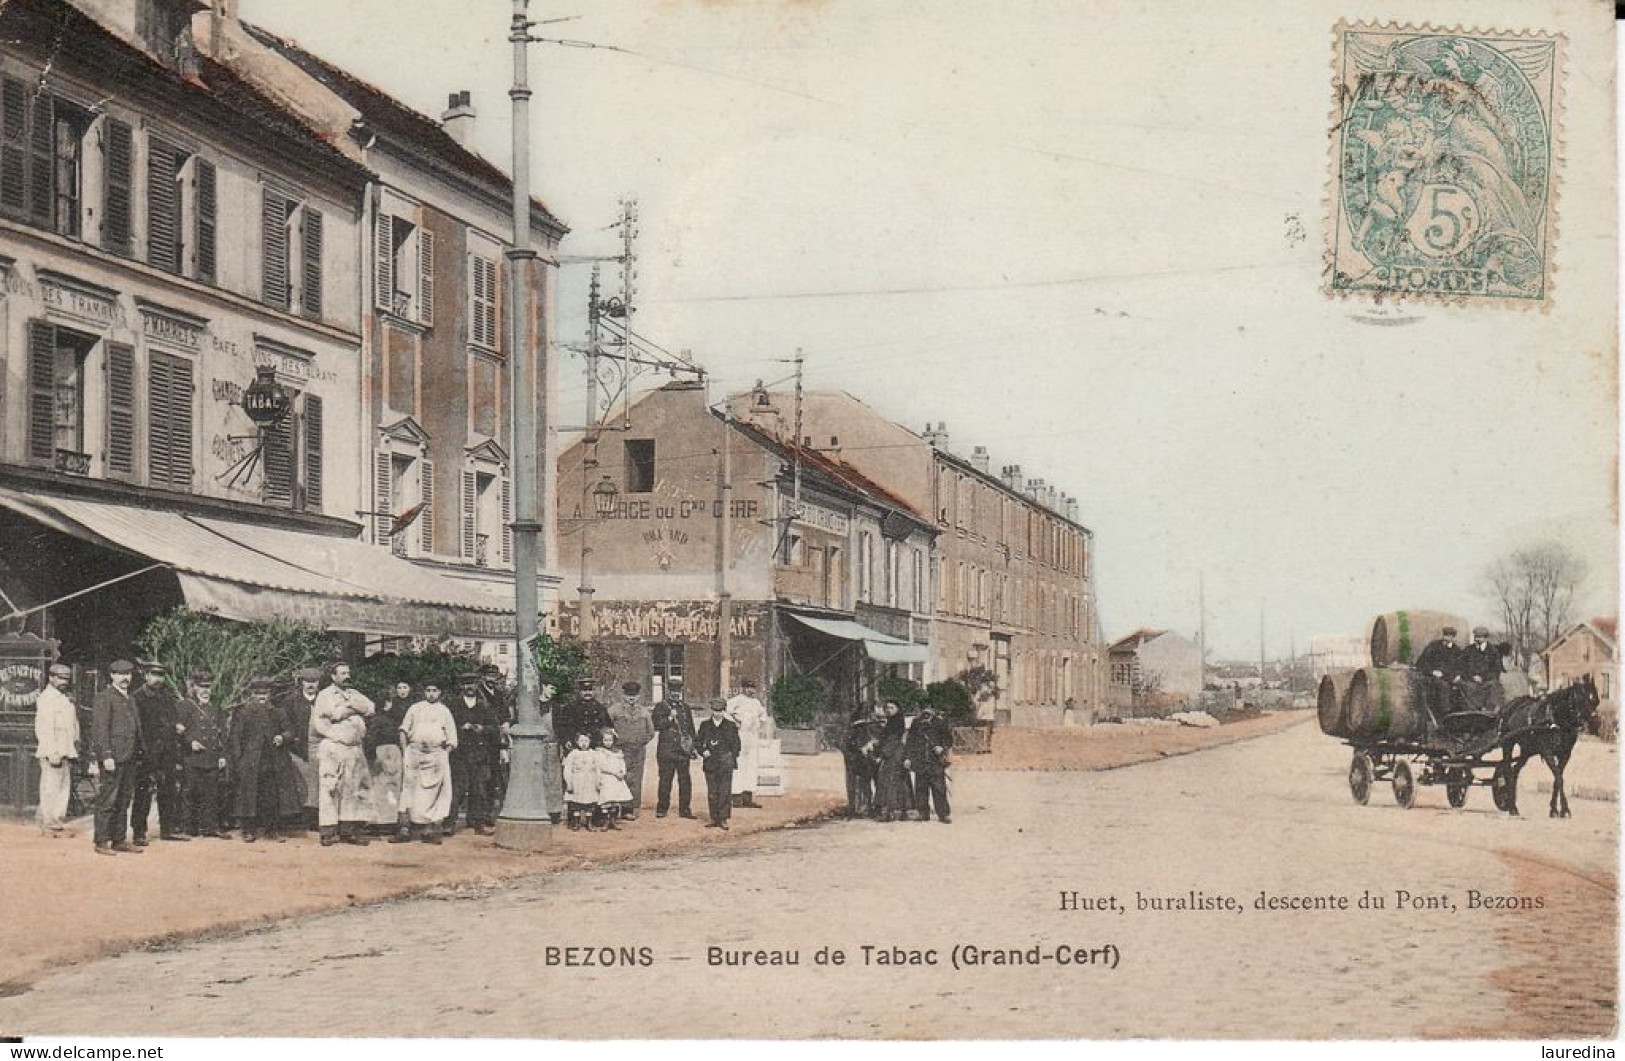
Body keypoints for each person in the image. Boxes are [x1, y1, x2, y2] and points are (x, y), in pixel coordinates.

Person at [229, 677, 300, 843]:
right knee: (249, 797)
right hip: (250, 761)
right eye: (258, 693)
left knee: (272, 796)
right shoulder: (244, 712)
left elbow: (290, 730)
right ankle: (248, 830)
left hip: (273, 760)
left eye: (265, 693)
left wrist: (282, 737)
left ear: (270, 694)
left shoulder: (277, 712)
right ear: (252, 694)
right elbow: (235, 738)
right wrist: (238, 761)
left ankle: (272, 830)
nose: (262, 696)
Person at [312, 662, 376, 846]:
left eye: (348, 672)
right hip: (334, 745)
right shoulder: (325, 695)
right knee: (330, 787)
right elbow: (333, 715)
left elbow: (371, 707)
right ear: (333, 676)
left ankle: (349, 831)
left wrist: (349, 707)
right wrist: (353, 709)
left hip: (354, 747)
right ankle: (327, 831)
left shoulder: (353, 693)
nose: (347, 676)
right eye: (342, 673)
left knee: (352, 788)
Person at [89, 659, 144, 855]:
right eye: (121, 674)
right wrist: (106, 755)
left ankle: (119, 839)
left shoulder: (131, 699)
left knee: (124, 799)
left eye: (128, 674)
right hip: (113, 758)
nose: (125, 678)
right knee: (108, 800)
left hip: (129, 758)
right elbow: (101, 730)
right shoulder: (104, 697)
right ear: (112, 675)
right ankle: (101, 841)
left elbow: (136, 729)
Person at [130, 661, 186, 844]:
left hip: (167, 752)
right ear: (146, 676)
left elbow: (171, 720)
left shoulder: (167, 698)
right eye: (154, 674)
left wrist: (176, 726)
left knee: (168, 791)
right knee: (143, 793)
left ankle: (167, 829)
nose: (158, 679)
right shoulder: (136, 698)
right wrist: (141, 751)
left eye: (161, 675)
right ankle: (139, 832)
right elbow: (136, 728)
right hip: (146, 753)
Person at [394, 681, 456, 844]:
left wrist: (444, 756)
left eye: (434, 690)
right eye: (428, 690)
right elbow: (403, 731)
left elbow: (451, 738)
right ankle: (404, 829)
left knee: (433, 793)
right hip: (414, 753)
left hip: (436, 755)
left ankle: (429, 831)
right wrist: (405, 752)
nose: (431, 694)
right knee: (408, 790)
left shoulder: (444, 711)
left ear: (440, 692)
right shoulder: (415, 708)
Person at [175, 670, 229, 839]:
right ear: (194, 687)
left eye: (208, 687)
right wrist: (190, 742)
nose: (206, 691)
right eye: (202, 687)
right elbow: (177, 729)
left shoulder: (216, 707)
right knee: (189, 792)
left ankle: (209, 827)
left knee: (211, 793)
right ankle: (186, 827)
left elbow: (223, 733)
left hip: (211, 756)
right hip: (192, 756)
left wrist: (222, 755)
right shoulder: (185, 706)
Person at [447, 673, 498, 836]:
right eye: (466, 684)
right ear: (461, 686)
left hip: (478, 753)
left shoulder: (484, 706)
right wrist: (460, 728)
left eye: (473, 684)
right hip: (459, 753)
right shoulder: (453, 705)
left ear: (477, 685)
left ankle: (478, 824)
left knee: (478, 789)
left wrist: (481, 728)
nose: (470, 687)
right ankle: (449, 824)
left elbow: (494, 728)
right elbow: (446, 726)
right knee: (457, 789)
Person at [33, 663, 79, 836]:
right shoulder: (47, 698)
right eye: (60, 678)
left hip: (65, 749)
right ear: (51, 678)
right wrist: (51, 751)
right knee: (51, 788)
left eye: (66, 678)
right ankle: (49, 823)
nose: (64, 681)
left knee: (62, 788)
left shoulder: (63, 698)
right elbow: (44, 728)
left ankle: (53, 822)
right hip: (53, 751)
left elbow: (71, 725)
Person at [280, 667, 324, 832]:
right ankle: (298, 818)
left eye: (314, 682)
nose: (311, 685)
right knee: (301, 782)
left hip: (321, 748)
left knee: (319, 783)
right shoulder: (291, 701)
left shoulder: (324, 700)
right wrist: (294, 740)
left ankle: (317, 818)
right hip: (298, 749)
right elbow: (285, 723)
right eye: (307, 682)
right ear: (302, 683)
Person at [367, 681, 412, 836]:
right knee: (390, 788)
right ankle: (389, 821)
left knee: (382, 788)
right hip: (390, 751)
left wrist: (371, 755)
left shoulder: (377, 719)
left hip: (383, 751)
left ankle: (384, 821)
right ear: (386, 703)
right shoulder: (387, 719)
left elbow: (370, 739)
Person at [651, 677, 698, 819]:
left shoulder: (685, 708)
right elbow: (656, 725)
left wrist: (693, 747)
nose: (675, 694)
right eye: (673, 691)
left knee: (685, 781)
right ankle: (662, 808)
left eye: (678, 691)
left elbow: (690, 729)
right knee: (665, 780)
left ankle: (685, 809)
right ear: (668, 691)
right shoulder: (661, 706)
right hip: (667, 749)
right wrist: (669, 718)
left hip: (683, 750)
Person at [608, 681, 654, 819]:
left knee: (636, 779)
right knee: (619, 777)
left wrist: (640, 741)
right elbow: (605, 727)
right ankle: (615, 809)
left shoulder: (644, 712)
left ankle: (630, 809)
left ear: (638, 696)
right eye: (628, 695)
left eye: (634, 695)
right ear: (623, 695)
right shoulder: (614, 710)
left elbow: (650, 732)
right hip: (620, 750)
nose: (631, 698)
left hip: (638, 750)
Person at [694, 698, 742, 830]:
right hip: (710, 762)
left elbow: (737, 744)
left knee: (725, 790)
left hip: (725, 761)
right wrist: (703, 751)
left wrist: (731, 756)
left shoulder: (730, 726)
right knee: (712, 791)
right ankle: (714, 818)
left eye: (720, 711)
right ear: (712, 711)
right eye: (715, 711)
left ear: (724, 711)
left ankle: (724, 818)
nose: (717, 714)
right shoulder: (705, 725)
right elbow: (697, 742)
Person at [905, 701, 953, 824]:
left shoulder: (940, 722)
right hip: (920, 760)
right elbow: (910, 741)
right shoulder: (916, 723)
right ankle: (923, 813)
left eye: (929, 708)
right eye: (923, 709)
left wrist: (942, 747)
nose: (926, 711)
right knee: (921, 788)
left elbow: (949, 739)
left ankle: (943, 814)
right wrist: (909, 758)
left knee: (939, 788)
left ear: (933, 709)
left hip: (935, 761)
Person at [727, 677, 768, 809]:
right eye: (747, 688)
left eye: (752, 688)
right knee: (739, 766)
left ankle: (747, 797)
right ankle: (736, 798)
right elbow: (726, 713)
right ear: (743, 688)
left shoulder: (756, 702)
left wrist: (761, 724)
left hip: (752, 737)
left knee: (751, 766)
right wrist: (735, 722)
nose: (750, 690)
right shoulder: (736, 700)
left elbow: (763, 715)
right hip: (739, 737)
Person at [873, 701, 911, 823]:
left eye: (892, 707)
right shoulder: (892, 721)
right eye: (887, 708)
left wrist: (882, 754)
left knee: (891, 782)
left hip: (895, 754)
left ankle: (891, 812)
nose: (889, 710)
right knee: (895, 782)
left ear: (898, 709)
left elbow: (893, 740)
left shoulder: (897, 721)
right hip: (893, 753)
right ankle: (899, 811)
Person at [1415, 626, 1463, 719]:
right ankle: (1445, 714)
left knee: (1463, 686)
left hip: (1449, 676)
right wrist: (1432, 671)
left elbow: (1459, 666)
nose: (1447, 638)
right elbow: (1421, 662)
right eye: (1445, 635)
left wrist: (1457, 675)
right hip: (1432, 676)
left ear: (1453, 638)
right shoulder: (1433, 646)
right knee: (1443, 686)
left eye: (1450, 636)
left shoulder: (1457, 651)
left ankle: (1462, 713)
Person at [1458, 625, 1506, 715]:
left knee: (1494, 686)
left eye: (1479, 637)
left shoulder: (1493, 652)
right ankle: (1473, 711)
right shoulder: (1468, 650)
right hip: (1471, 680)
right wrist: (1472, 676)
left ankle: (1489, 711)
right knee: (1463, 686)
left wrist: (1483, 678)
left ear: (1486, 638)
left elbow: (1496, 670)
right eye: (1476, 637)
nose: (1477, 639)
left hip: (1487, 681)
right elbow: (1462, 666)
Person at [555, 677, 613, 750]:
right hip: (577, 745)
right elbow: (564, 727)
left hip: (596, 746)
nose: (587, 693)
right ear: (579, 691)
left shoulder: (600, 708)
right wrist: (567, 740)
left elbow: (607, 726)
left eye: (590, 690)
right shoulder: (571, 708)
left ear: (594, 691)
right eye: (584, 690)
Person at [841, 703, 877, 819]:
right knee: (858, 784)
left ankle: (861, 808)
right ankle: (859, 808)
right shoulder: (856, 729)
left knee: (861, 784)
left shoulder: (861, 728)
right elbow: (847, 745)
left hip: (860, 760)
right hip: (856, 760)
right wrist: (860, 749)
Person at [594, 728, 633, 830]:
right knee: (606, 800)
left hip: (616, 780)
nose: (608, 743)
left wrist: (622, 773)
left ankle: (613, 821)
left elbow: (622, 764)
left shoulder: (618, 753)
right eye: (605, 740)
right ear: (602, 741)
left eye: (610, 740)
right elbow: (601, 766)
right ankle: (605, 821)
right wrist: (613, 773)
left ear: (613, 740)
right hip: (606, 779)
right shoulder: (600, 752)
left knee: (615, 800)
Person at [561, 731, 601, 831]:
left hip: (589, 782)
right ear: (577, 742)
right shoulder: (573, 754)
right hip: (577, 782)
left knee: (589, 803)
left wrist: (598, 782)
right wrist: (569, 783)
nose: (584, 743)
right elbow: (567, 769)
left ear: (590, 742)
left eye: (586, 741)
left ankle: (589, 822)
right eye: (581, 741)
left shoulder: (594, 754)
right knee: (576, 803)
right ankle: (576, 822)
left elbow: (598, 769)